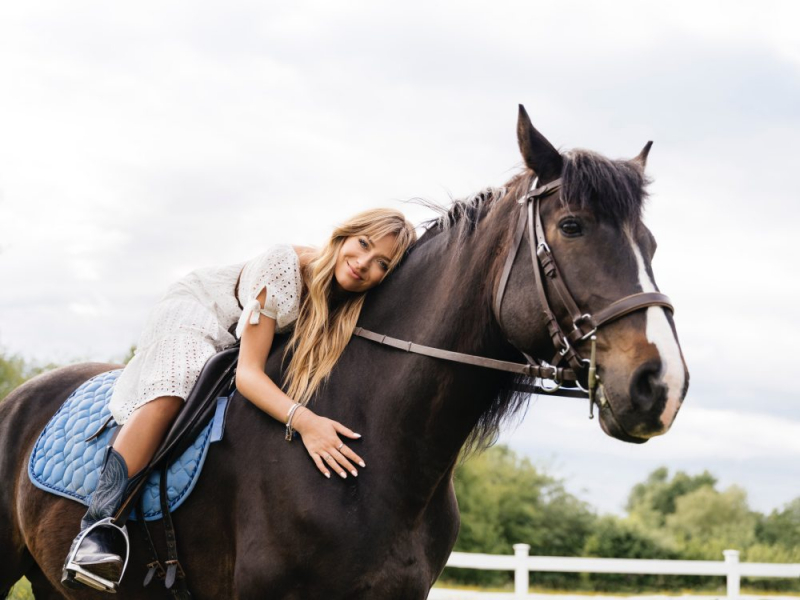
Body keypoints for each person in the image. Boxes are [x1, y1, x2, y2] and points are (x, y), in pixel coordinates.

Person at [62, 208, 417, 591]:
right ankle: (98, 528)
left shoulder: (347, 303)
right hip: (199, 310)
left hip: (238, 337)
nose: (364, 263)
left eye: (381, 263)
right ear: (344, 236)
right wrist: (306, 422)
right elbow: (248, 374)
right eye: (363, 244)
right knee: (179, 380)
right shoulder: (284, 267)